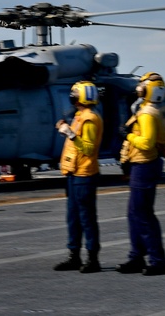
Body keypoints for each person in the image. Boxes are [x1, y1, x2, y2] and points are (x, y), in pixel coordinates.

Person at [115, 72, 165, 276]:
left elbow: (146, 142)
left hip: (144, 164)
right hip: (146, 164)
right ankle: (136, 256)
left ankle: (157, 260)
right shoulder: (160, 110)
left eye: (142, 87)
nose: (139, 89)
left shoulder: (148, 113)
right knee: (134, 213)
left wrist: (128, 135)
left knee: (143, 215)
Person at [53, 80, 104, 273]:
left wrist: (70, 134)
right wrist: (67, 129)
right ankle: (74, 256)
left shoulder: (90, 118)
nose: (72, 98)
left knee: (87, 218)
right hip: (74, 173)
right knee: (73, 217)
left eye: (74, 95)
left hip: (84, 174)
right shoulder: (80, 116)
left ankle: (93, 259)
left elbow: (89, 149)